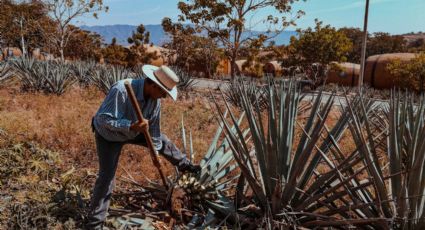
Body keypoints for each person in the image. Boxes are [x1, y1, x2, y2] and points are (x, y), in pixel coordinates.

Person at [86, 65, 200, 229]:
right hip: (108, 136)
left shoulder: (155, 101)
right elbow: (103, 119)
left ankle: (185, 166)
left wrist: (155, 154)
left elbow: (153, 131)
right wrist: (131, 126)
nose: (164, 97)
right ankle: (94, 223)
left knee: (163, 141)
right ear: (153, 84)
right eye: (163, 92)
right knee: (107, 178)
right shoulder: (122, 89)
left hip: (134, 131)